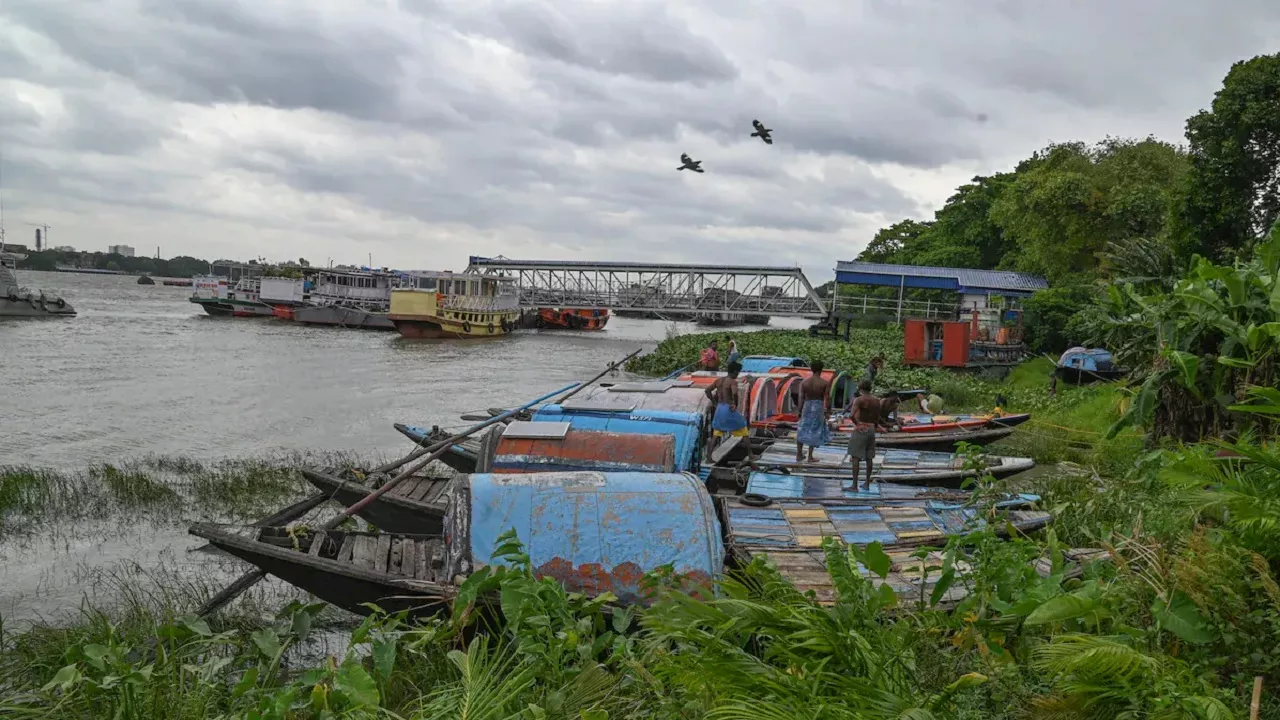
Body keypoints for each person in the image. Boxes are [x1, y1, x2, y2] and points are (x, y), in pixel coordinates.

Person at [705, 361, 748, 458]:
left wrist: (714, 402)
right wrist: (735, 404)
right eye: (738, 372)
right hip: (729, 408)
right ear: (734, 371)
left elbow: (707, 390)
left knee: (716, 433)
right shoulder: (733, 382)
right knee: (744, 429)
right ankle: (751, 454)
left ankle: (709, 456)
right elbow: (735, 394)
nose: (738, 374)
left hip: (720, 408)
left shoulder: (719, 380)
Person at [794, 360, 831, 463]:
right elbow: (827, 398)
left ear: (811, 369)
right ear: (821, 369)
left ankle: (799, 453)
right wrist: (828, 411)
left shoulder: (804, 382)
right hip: (818, 407)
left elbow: (801, 398)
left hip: (807, 405)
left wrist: (799, 410)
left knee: (802, 427)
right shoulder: (824, 383)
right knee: (815, 429)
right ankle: (810, 456)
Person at [847, 380, 881, 490]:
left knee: (855, 456)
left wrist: (858, 424)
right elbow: (877, 417)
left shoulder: (859, 399)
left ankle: (854, 485)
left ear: (860, 388)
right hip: (871, 428)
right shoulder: (876, 401)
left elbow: (852, 415)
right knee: (869, 457)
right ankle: (867, 483)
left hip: (861, 427)